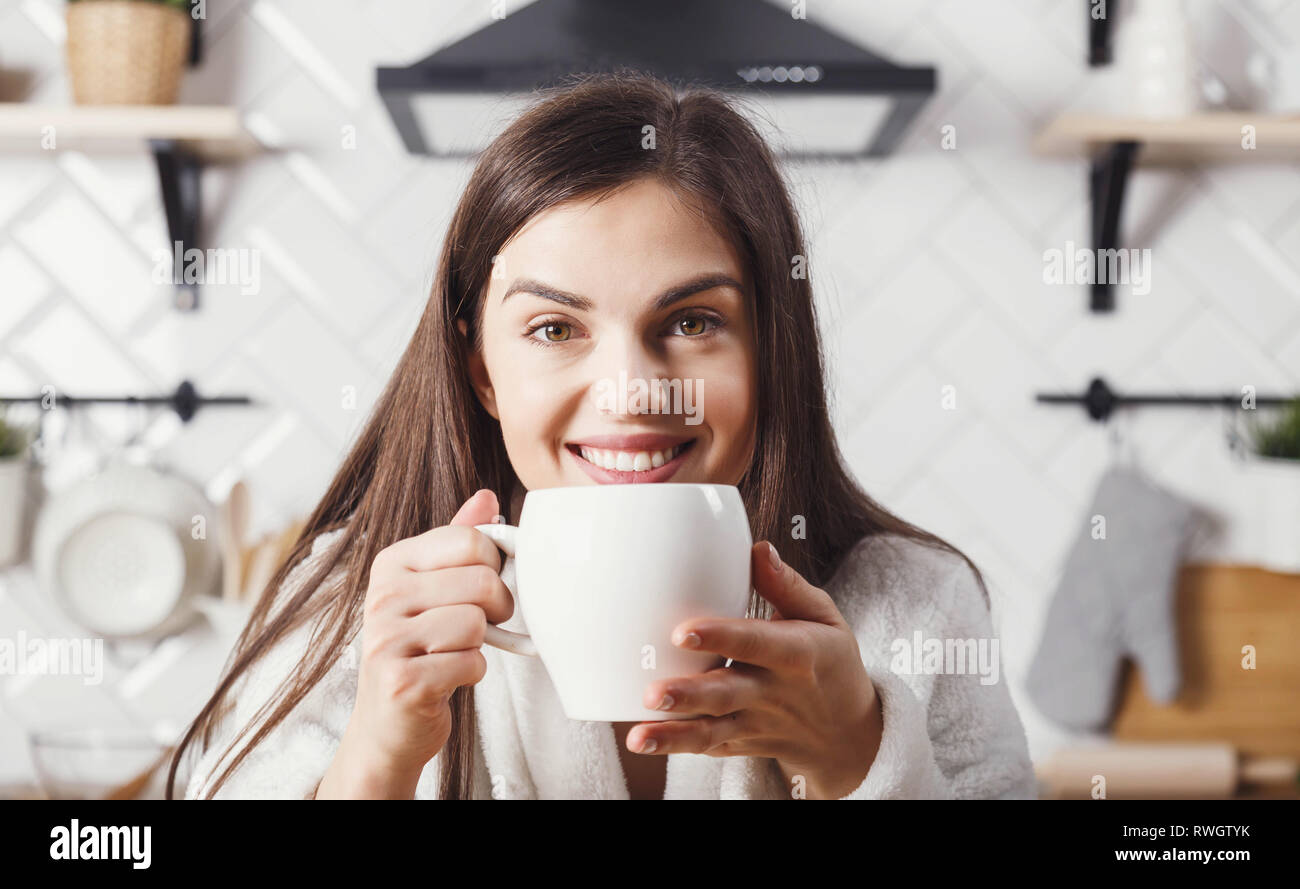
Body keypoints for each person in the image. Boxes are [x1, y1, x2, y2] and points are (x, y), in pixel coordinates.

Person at [171, 70, 1036, 801]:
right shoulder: (352, 602)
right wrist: (374, 762)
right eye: (554, 329)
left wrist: (860, 755)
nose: (631, 392)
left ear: (770, 351)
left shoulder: (915, 604)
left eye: (693, 320)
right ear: (482, 373)